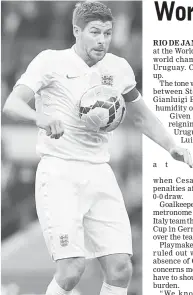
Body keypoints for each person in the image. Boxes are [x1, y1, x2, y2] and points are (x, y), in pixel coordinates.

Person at [3, 2, 192, 295]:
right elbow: (12, 104)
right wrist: (40, 117)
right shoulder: (50, 62)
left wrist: (173, 147)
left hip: (100, 172)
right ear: (76, 31)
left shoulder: (118, 69)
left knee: (120, 268)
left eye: (107, 32)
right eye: (94, 32)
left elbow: (140, 115)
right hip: (59, 171)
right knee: (71, 270)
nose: (102, 40)